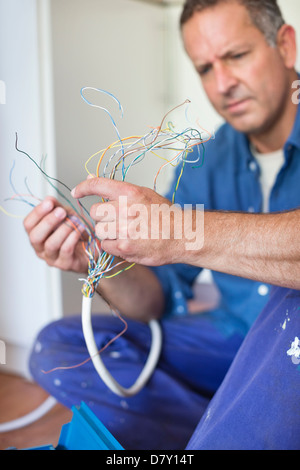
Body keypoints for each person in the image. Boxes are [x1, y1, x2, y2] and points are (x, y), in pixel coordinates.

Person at [26, 0, 300, 449]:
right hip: (227, 341)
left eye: (236, 56)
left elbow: (181, 237)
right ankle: (228, 426)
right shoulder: (203, 163)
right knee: (58, 347)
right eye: (205, 68)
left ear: (285, 45)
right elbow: (155, 299)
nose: (223, 83)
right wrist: (97, 260)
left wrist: (179, 232)